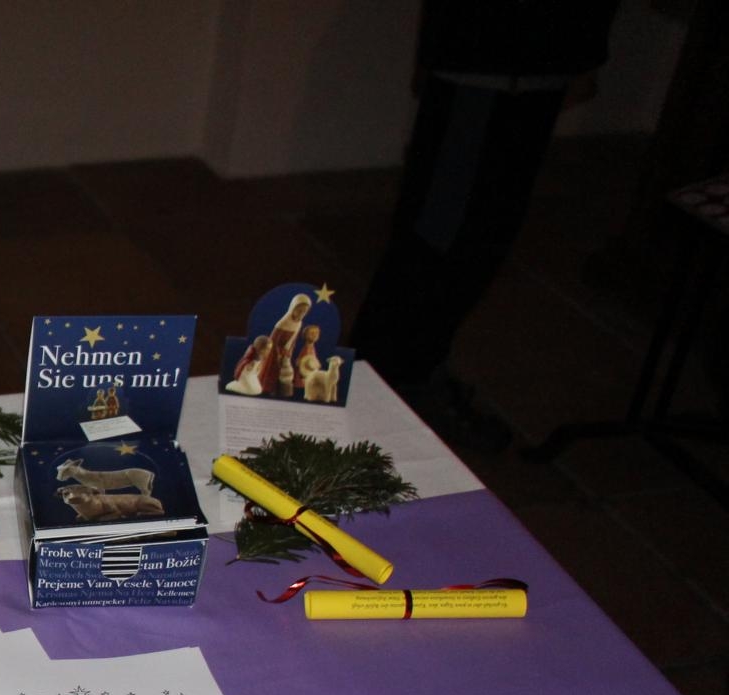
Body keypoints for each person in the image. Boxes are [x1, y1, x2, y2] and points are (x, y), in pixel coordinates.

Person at [350, 1, 618, 451]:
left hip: (534, 64)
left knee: (482, 238)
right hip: (484, 61)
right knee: (438, 241)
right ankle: (390, 380)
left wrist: (584, 53)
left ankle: (408, 373)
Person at [258, 295, 312, 395]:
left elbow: (293, 340)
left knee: (285, 375)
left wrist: (289, 351)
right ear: (293, 308)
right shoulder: (283, 323)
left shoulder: (299, 324)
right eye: (299, 310)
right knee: (271, 371)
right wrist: (279, 353)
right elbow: (273, 341)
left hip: (286, 353)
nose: (301, 314)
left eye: (304, 312)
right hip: (275, 353)